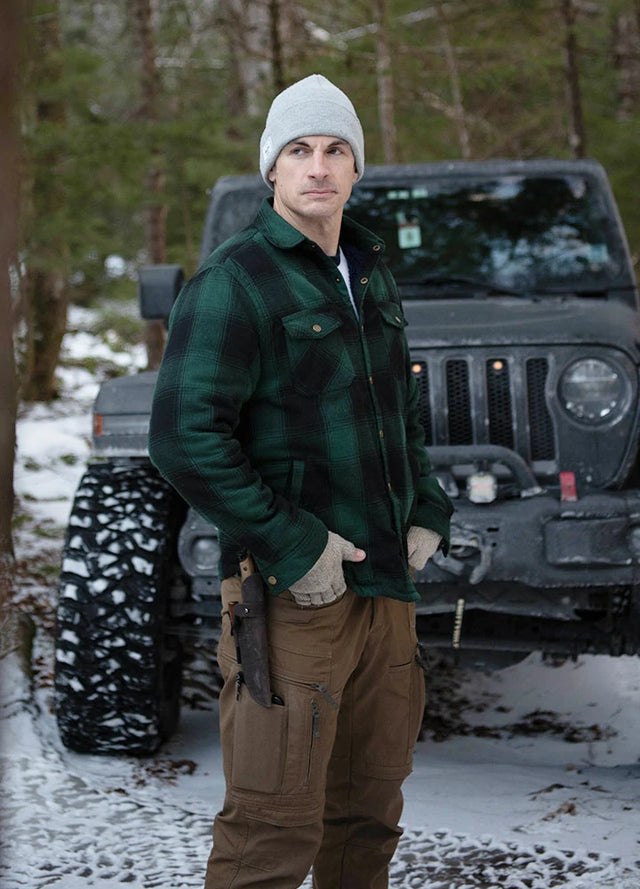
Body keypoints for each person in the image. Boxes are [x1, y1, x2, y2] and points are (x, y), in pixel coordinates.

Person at [149, 73, 453, 889]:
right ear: (272, 171)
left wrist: (425, 503)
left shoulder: (369, 272)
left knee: (366, 817)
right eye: (298, 150)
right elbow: (183, 437)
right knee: (270, 832)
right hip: (293, 601)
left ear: (356, 169)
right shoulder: (235, 280)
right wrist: (293, 544)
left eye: (335, 150)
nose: (318, 166)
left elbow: (401, 407)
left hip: (385, 593)